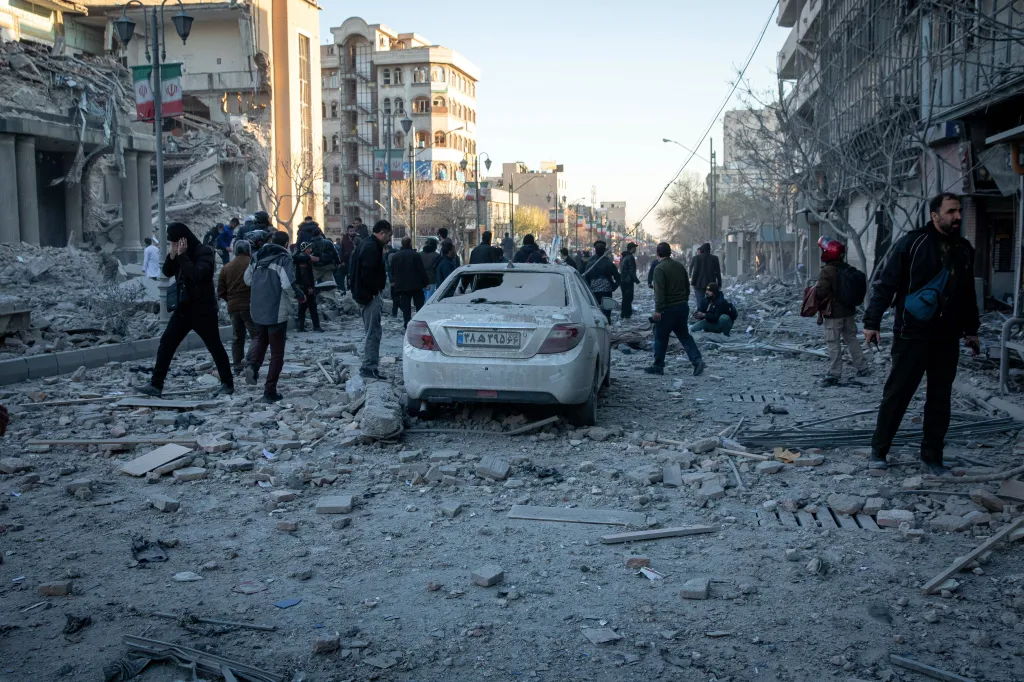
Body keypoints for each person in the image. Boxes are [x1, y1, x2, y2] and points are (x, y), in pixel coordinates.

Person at [863, 193, 980, 474]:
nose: (958, 217)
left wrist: (971, 330)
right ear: (934, 215)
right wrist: (872, 322)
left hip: (946, 338)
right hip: (911, 335)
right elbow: (886, 284)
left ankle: (932, 457)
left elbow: (967, 294)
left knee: (940, 399)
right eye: (951, 211)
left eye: (959, 211)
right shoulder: (912, 243)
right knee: (897, 395)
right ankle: (879, 451)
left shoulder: (963, 249)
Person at [140, 222, 234, 397]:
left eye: (176, 242)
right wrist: (172, 255)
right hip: (183, 309)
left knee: (215, 347)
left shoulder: (204, 251)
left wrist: (182, 257)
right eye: (172, 243)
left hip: (203, 310)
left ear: (185, 240)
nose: (174, 245)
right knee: (166, 343)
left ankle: (228, 383)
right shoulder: (179, 254)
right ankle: (156, 384)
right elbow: (167, 272)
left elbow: (199, 275)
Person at [245, 231, 306, 402]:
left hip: (257, 308)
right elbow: (287, 284)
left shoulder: (257, 257)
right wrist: (300, 296)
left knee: (260, 339)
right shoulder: (283, 259)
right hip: (276, 308)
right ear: (286, 244)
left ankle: (252, 365)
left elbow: (247, 280)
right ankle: (269, 391)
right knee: (277, 353)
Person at [645, 242, 705, 377]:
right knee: (684, 336)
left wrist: (658, 310)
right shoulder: (679, 266)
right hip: (682, 307)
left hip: (667, 309)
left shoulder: (659, 269)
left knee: (660, 337)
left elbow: (659, 291)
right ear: (670, 253)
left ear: (658, 254)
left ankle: (658, 366)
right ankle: (697, 360)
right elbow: (687, 286)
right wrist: (683, 300)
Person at [815, 237, 868, 386]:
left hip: (833, 315)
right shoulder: (847, 268)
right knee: (852, 339)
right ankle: (863, 367)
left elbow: (821, 292)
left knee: (833, 343)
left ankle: (834, 373)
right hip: (849, 312)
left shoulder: (827, 271)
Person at [349, 220, 392, 379]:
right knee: (373, 332)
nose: (389, 239)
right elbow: (367, 274)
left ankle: (370, 367)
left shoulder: (368, 244)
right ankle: (368, 368)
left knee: (373, 331)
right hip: (369, 297)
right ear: (382, 232)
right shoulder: (371, 247)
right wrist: (373, 293)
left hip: (366, 295)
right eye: (389, 235)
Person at [217, 240, 257, 375]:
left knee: (237, 337)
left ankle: (238, 366)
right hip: (250, 306)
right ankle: (251, 363)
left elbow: (221, 291)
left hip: (233, 307)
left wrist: (231, 300)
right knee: (256, 336)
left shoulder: (226, 267)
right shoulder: (252, 264)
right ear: (248, 251)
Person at [390, 236, 428, 328]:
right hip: (416, 284)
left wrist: (393, 281)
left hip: (402, 285)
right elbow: (421, 270)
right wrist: (426, 282)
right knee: (419, 304)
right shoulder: (415, 255)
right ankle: (419, 322)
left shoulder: (396, 256)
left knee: (406, 306)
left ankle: (407, 323)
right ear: (410, 243)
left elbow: (392, 271)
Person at [582, 240, 620, 323]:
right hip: (602, 291)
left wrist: (614, 286)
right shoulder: (595, 262)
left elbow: (586, 278)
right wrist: (615, 285)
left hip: (597, 291)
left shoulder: (603, 262)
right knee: (603, 311)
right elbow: (617, 276)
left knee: (599, 311)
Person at [293, 242, 323, 332]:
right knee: (312, 306)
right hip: (305, 287)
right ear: (305, 249)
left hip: (302, 287)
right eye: (309, 248)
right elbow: (304, 275)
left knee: (302, 307)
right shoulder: (303, 260)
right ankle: (316, 326)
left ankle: (300, 326)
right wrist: (309, 287)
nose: (311, 250)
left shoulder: (302, 258)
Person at [619, 242, 640, 320]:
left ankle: (623, 313)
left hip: (623, 280)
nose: (635, 249)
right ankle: (627, 314)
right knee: (629, 297)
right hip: (628, 281)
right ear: (631, 248)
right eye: (634, 247)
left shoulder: (623, 257)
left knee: (625, 297)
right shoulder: (630, 257)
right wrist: (637, 281)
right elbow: (632, 271)